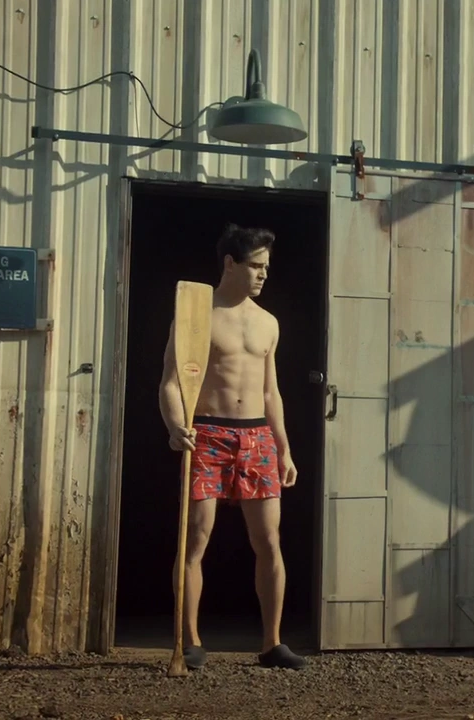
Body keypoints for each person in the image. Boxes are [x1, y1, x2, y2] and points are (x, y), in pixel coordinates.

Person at [158, 223, 307, 670]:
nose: (263, 275)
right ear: (230, 263)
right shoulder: (196, 316)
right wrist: (175, 426)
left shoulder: (268, 322)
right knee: (195, 538)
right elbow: (170, 381)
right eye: (256, 266)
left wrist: (284, 448)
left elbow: (270, 392)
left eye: (266, 267)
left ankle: (272, 644)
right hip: (207, 433)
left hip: (257, 436)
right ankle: (190, 640)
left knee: (269, 540)